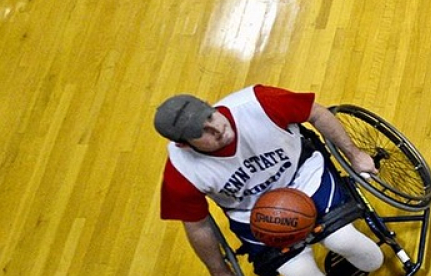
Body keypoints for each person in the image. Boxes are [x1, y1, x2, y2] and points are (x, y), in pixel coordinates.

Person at [155, 85, 385, 276]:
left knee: (347, 242)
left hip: (304, 178)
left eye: (209, 116)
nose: (215, 128)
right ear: (183, 145)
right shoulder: (181, 171)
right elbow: (198, 226)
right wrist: (219, 270)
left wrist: (355, 155)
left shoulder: (258, 103)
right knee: (300, 273)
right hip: (255, 214)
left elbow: (316, 113)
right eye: (201, 132)